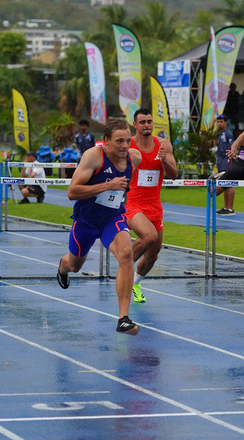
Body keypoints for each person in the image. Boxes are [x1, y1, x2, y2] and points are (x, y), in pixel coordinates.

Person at [56, 119, 143, 335]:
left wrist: (120, 196)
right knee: (74, 265)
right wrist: (107, 185)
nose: (125, 145)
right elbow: (72, 192)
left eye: (128, 140)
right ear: (106, 141)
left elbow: (125, 186)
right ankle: (62, 267)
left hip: (112, 218)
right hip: (86, 221)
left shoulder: (134, 157)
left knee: (126, 253)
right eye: (119, 141)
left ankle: (123, 319)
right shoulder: (93, 156)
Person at [125, 108, 178, 304]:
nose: (147, 125)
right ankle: (123, 267)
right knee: (149, 236)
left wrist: (164, 160)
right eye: (142, 122)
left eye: (149, 121)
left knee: (153, 255)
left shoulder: (163, 145)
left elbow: (174, 175)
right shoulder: (128, 146)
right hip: (132, 203)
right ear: (135, 125)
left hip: (154, 205)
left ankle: (135, 284)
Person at [214, 115, 235, 216]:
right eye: (218, 122)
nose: (219, 124)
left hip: (227, 162)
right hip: (220, 161)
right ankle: (226, 207)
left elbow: (232, 147)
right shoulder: (219, 134)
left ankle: (230, 208)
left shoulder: (228, 134)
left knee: (229, 184)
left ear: (226, 122)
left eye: (221, 122)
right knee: (224, 184)